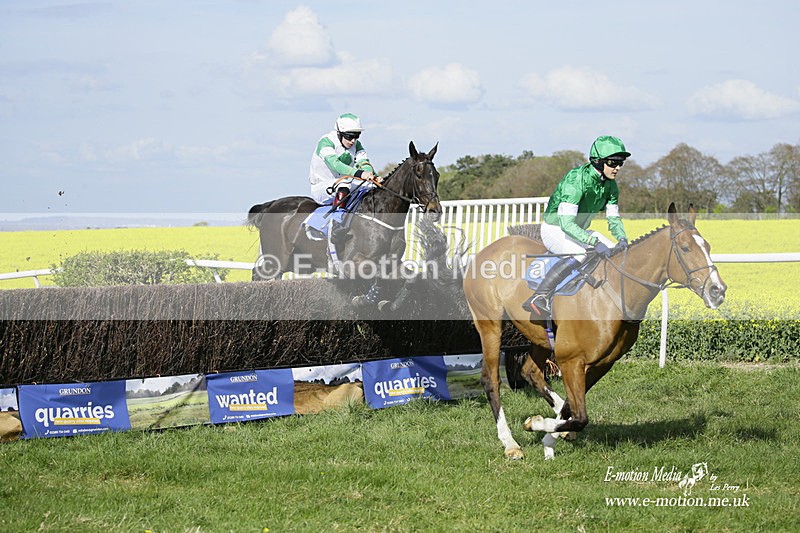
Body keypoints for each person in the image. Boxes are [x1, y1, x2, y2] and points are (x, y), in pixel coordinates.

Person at [523, 135, 631, 317]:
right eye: (613, 162)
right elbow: (566, 224)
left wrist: (622, 238)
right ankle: (540, 296)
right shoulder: (576, 180)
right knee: (579, 254)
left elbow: (613, 218)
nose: (618, 167)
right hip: (555, 229)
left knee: (617, 255)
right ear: (598, 161)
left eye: (621, 163)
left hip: (579, 231)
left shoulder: (611, 186)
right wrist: (594, 242)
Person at [308, 113, 377, 243]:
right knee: (344, 183)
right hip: (322, 187)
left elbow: (364, 163)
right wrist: (360, 174)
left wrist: (372, 176)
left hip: (344, 185)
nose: (353, 141)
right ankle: (336, 223)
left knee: (371, 186)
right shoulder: (326, 142)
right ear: (339, 133)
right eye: (349, 137)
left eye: (356, 136)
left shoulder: (357, 145)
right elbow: (335, 165)